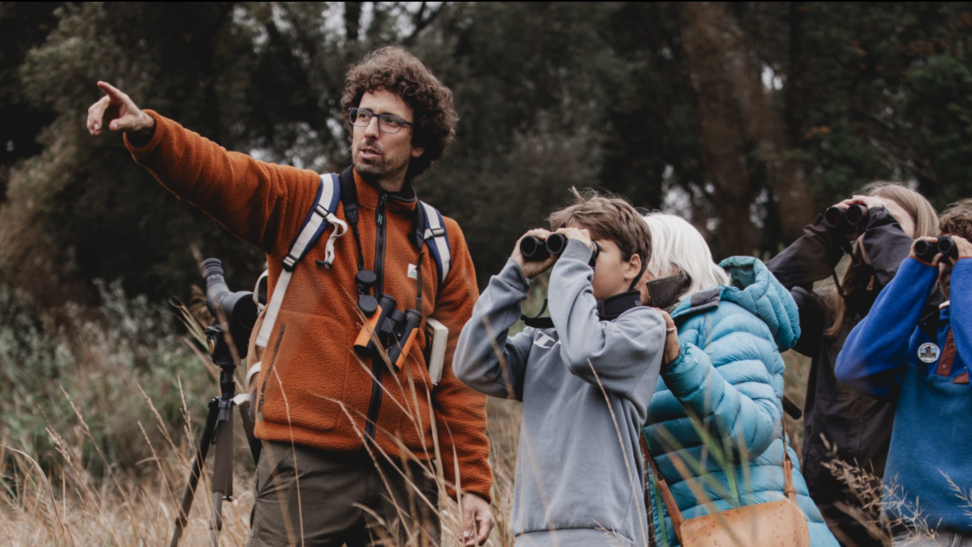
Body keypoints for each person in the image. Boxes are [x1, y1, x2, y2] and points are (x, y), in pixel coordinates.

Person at [86, 46, 495, 546]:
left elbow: (459, 373)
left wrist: (471, 483)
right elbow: (221, 175)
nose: (369, 130)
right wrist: (151, 132)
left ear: (419, 143)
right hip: (303, 464)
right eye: (362, 115)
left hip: (405, 475)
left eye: (389, 121)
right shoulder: (307, 204)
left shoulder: (442, 241)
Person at [453, 190, 675, 546]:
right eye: (569, 251)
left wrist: (572, 263)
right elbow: (472, 364)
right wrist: (514, 277)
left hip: (603, 531)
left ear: (631, 266)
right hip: (532, 529)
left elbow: (586, 353)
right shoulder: (544, 339)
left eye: (592, 251)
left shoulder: (644, 328)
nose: (576, 260)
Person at [638, 213, 839, 547]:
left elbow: (752, 433)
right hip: (706, 534)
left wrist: (679, 363)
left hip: (759, 534)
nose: (626, 270)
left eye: (637, 257)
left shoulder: (723, 318)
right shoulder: (644, 335)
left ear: (670, 262)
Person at [767, 182, 939, 546]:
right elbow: (756, 295)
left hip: (906, 508)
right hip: (825, 505)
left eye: (890, 223)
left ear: (921, 237)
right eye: (865, 224)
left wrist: (893, 243)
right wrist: (822, 241)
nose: (873, 231)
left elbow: (926, 304)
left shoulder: (937, 310)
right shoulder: (832, 310)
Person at [836, 199, 972, 546]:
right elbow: (854, 368)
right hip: (917, 532)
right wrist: (915, 270)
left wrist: (966, 277)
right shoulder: (927, 331)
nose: (951, 272)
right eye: (949, 262)